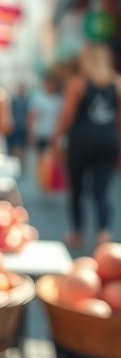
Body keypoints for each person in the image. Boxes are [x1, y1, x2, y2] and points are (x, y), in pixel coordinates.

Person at [50, 42, 121, 249]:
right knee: (102, 191)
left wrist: (56, 138)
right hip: (108, 141)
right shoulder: (117, 83)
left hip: (81, 141)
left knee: (77, 190)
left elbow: (67, 116)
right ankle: (103, 234)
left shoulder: (77, 83)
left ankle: (78, 233)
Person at [28, 70, 63, 177]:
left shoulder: (59, 99)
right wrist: (32, 133)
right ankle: (43, 182)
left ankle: (52, 182)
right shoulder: (38, 98)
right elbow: (32, 117)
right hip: (42, 133)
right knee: (41, 159)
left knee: (55, 161)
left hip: (55, 135)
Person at [7, 83, 30, 168]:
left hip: (22, 127)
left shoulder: (26, 101)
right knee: (13, 147)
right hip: (15, 126)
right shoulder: (14, 100)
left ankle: (20, 165)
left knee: (21, 148)